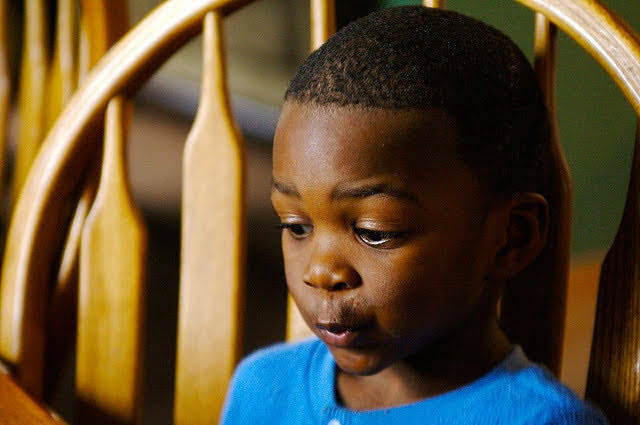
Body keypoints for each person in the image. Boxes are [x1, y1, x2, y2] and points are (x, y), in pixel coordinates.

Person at [220, 6, 608, 424]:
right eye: (296, 226)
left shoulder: (541, 420)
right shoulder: (262, 386)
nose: (320, 272)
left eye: (374, 232)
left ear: (510, 237)